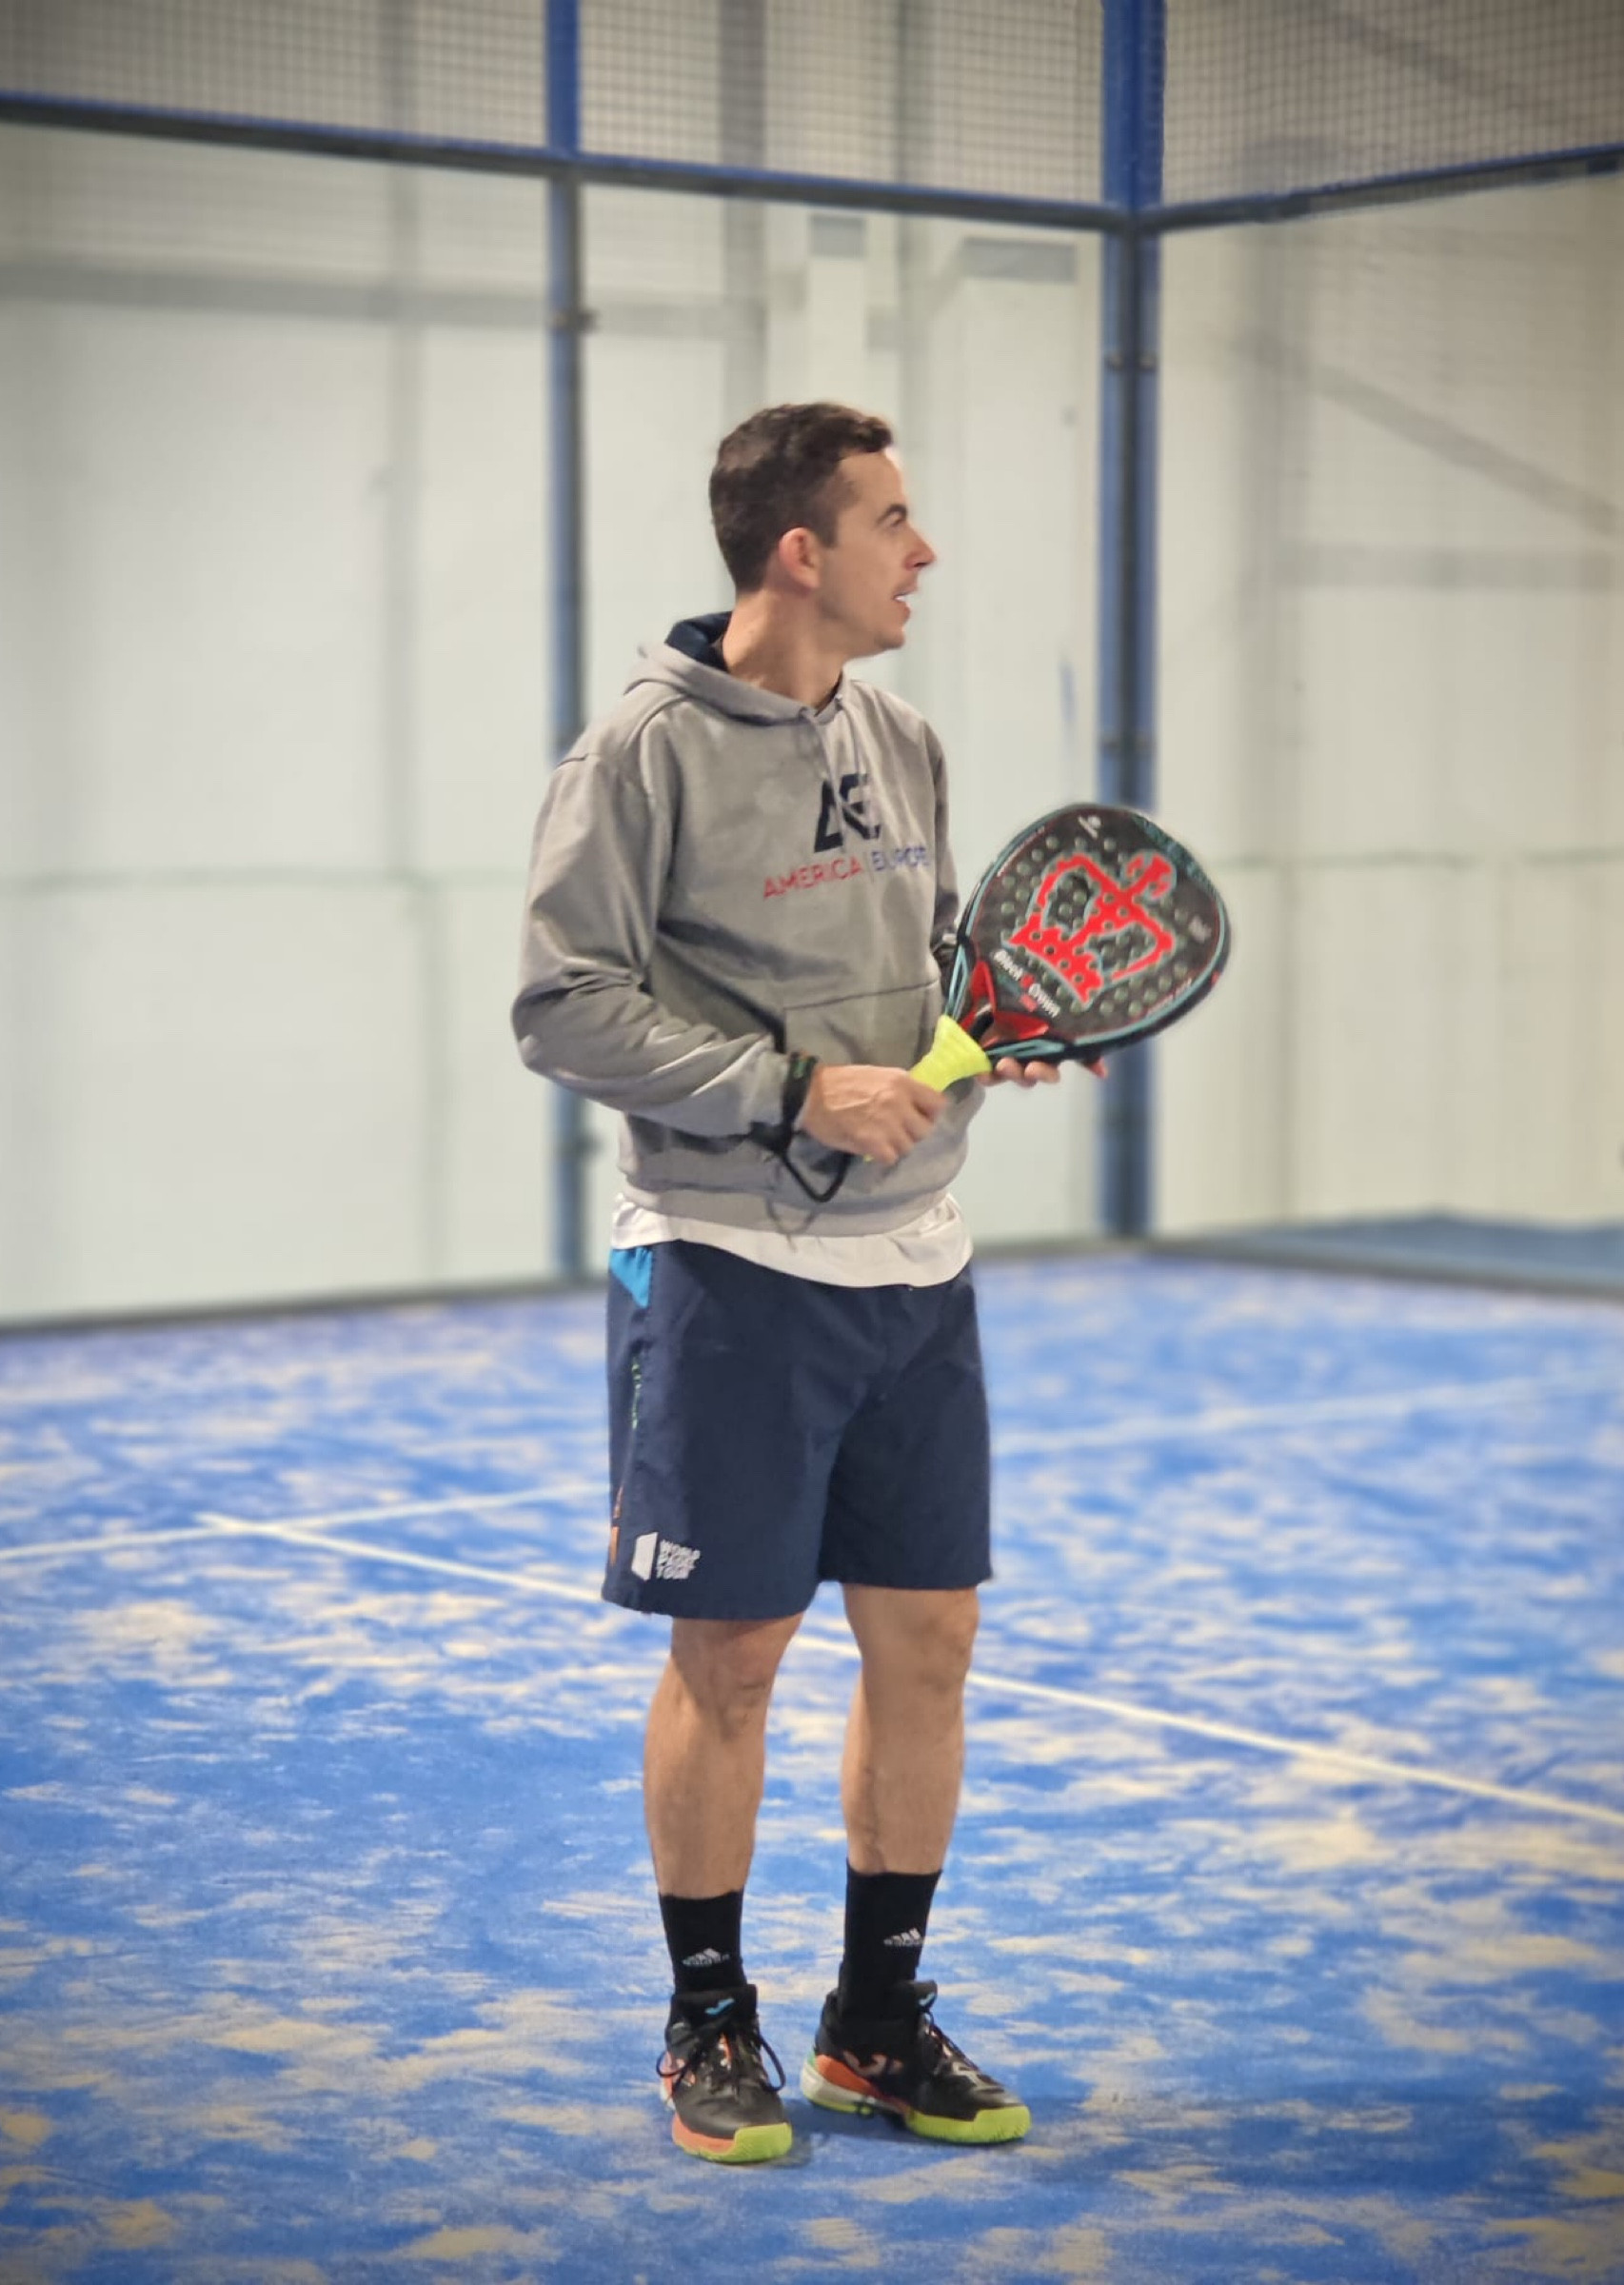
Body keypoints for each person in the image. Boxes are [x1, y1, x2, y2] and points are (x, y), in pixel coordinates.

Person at [513, 401, 1073, 2165]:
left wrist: (994, 1038)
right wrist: (787, 1088)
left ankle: (873, 2025)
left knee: (931, 1642)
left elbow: (937, 972)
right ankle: (708, 2023)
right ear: (800, 551)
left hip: (919, 1263)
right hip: (730, 1267)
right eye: (895, 520)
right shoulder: (641, 752)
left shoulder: (902, 737)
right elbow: (562, 1006)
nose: (927, 550)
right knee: (735, 1658)